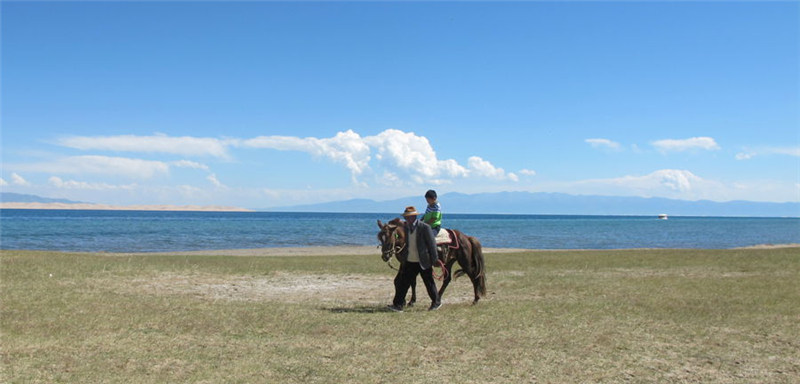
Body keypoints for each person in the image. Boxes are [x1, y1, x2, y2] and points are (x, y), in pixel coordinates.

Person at [388, 206, 442, 312]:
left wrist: (434, 259)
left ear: (414, 217)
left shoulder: (424, 227)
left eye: (410, 217)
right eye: (406, 217)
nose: (408, 219)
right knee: (404, 283)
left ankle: (436, 302)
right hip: (410, 260)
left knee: (429, 282)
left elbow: (432, 245)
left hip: (423, 260)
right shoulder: (406, 228)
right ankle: (397, 305)